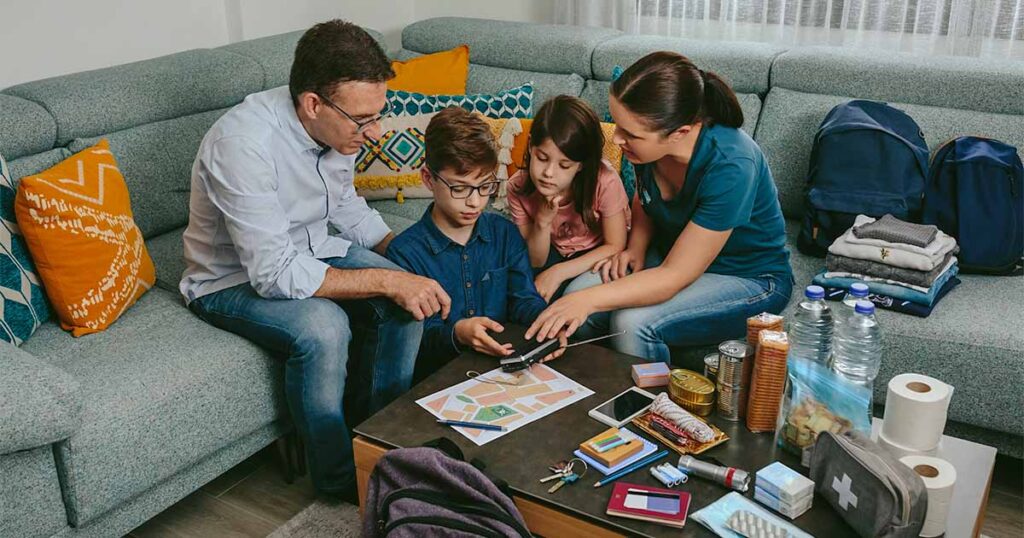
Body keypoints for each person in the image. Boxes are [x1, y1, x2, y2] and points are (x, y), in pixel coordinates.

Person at [179, 20, 450, 500]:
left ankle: (380, 451)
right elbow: (274, 273)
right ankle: (341, 483)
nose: (375, 131)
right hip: (229, 281)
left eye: (378, 115)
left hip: (311, 248)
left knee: (410, 297)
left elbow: (344, 206)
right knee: (325, 328)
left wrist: (407, 263)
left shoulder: (337, 128)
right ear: (312, 104)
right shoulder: (243, 145)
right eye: (364, 120)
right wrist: (388, 283)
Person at [526, 51, 793, 363]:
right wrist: (636, 246)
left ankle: (651, 407)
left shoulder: (732, 164)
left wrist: (589, 301)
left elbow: (673, 276)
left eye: (630, 134)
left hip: (750, 278)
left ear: (679, 132)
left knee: (631, 324)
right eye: (618, 126)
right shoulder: (644, 148)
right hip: (670, 255)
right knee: (575, 295)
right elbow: (644, 197)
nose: (618, 140)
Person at [387, 107, 564, 381]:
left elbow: (523, 298)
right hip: (438, 380)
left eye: (485, 186)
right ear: (428, 179)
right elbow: (412, 342)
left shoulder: (504, 233)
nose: (475, 202)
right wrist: (457, 332)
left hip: (502, 372)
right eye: (459, 188)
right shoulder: (404, 253)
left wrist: (548, 323)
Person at [507, 95, 629, 302]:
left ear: (580, 165)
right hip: (549, 251)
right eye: (542, 158)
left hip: (597, 250)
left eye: (564, 165)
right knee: (518, 294)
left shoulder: (604, 181)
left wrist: (558, 272)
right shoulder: (517, 187)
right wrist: (543, 222)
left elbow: (616, 245)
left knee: (569, 299)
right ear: (530, 147)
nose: (548, 173)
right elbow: (536, 260)